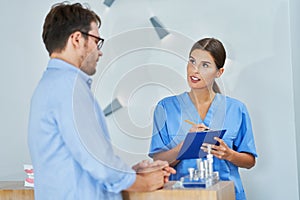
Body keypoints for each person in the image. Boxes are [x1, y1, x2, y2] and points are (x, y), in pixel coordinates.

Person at [28, 2, 175, 200]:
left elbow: (84, 162)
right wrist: (143, 182)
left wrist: (131, 173)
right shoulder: (68, 88)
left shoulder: (50, 85)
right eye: (97, 41)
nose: (100, 51)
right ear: (77, 39)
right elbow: (97, 161)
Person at [149, 38, 257, 200]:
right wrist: (185, 146)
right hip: (181, 194)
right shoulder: (165, 108)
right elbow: (158, 161)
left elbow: (249, 161)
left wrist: (229, 154)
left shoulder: (236, 109)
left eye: (205, 65)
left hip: (226, 194)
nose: (195, 70)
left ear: (219, 72)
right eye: (192, 61)